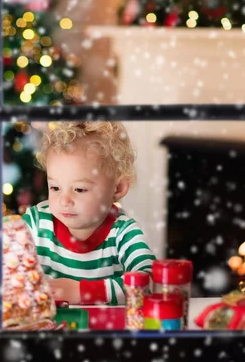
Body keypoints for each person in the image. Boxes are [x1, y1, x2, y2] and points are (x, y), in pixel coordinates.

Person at [23, 121, 156, 305]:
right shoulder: (36, 222)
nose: (64, 200)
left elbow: (150, 281)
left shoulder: (123, 232)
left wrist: (81, 292)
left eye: (79, 189)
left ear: (117, 188)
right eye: (55, 187)